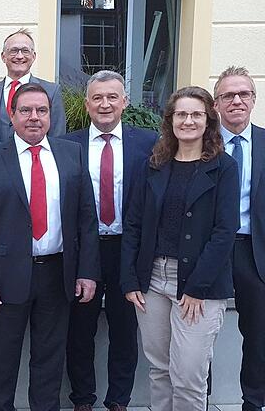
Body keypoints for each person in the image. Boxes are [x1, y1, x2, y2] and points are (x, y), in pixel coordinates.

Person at [0, 83, 100, 411]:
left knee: (49, 360)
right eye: (25, 110)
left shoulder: (71, 154)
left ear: (50, 115)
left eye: (41, 111)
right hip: (6, 277)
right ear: (10, 115)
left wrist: (86, 271)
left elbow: (87, 219)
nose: (34, 117)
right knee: (2, 361)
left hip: (58, 273)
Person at [121, 86, 239, 411]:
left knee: (188, 375)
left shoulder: (224, 167)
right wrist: (130, 280)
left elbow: (225, 231)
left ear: (208, 120)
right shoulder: (154, 165)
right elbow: (134, 224)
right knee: (160, 370)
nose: (188, 121)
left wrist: (197, 287)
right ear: (171, 120)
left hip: (199, 283)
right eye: (181, 114)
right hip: (153, 280)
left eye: (196, 114)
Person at [62, 70, 158, 411]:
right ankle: (82, 400)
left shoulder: (148, 143)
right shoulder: (66, 145)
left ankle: (118, 401)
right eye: (98, 98)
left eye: (112, 97)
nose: (105, 104)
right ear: (87, 104)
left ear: (124, 102)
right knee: (80, 330)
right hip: (83, 250)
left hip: (127, 250)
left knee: (124, 329)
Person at [213, 66, 265, 411]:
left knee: (259, 336)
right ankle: (196, 401)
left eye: (243, 94)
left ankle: (253, 402)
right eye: (228, 95)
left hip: (253, 251)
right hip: (208, 252)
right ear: (216, 104)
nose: (236, 100)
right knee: (199, 337)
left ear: (253, 99)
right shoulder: (200, 141)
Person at [0, 28, 66, 141]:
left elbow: (58, 136)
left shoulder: (51, 91)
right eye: (14, 50)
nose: (19, 56)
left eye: (25, 51)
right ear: (3, 56)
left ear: (33, 57)